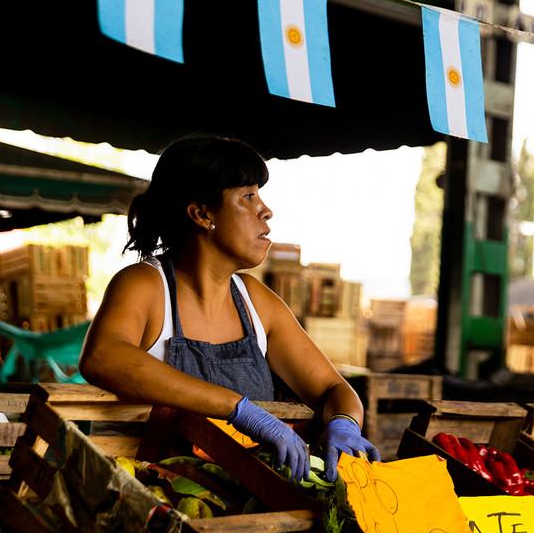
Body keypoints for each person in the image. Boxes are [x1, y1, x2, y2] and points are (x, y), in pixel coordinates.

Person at [78, 134, 380, 482]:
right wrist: (238, 409)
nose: (266, 210)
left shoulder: (256, 303)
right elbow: (103, 357)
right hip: (151, 498)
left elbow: (333, 389)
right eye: (248, 196)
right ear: (202, 214)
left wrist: (343, 423)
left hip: (243, 499)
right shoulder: (145, 285)